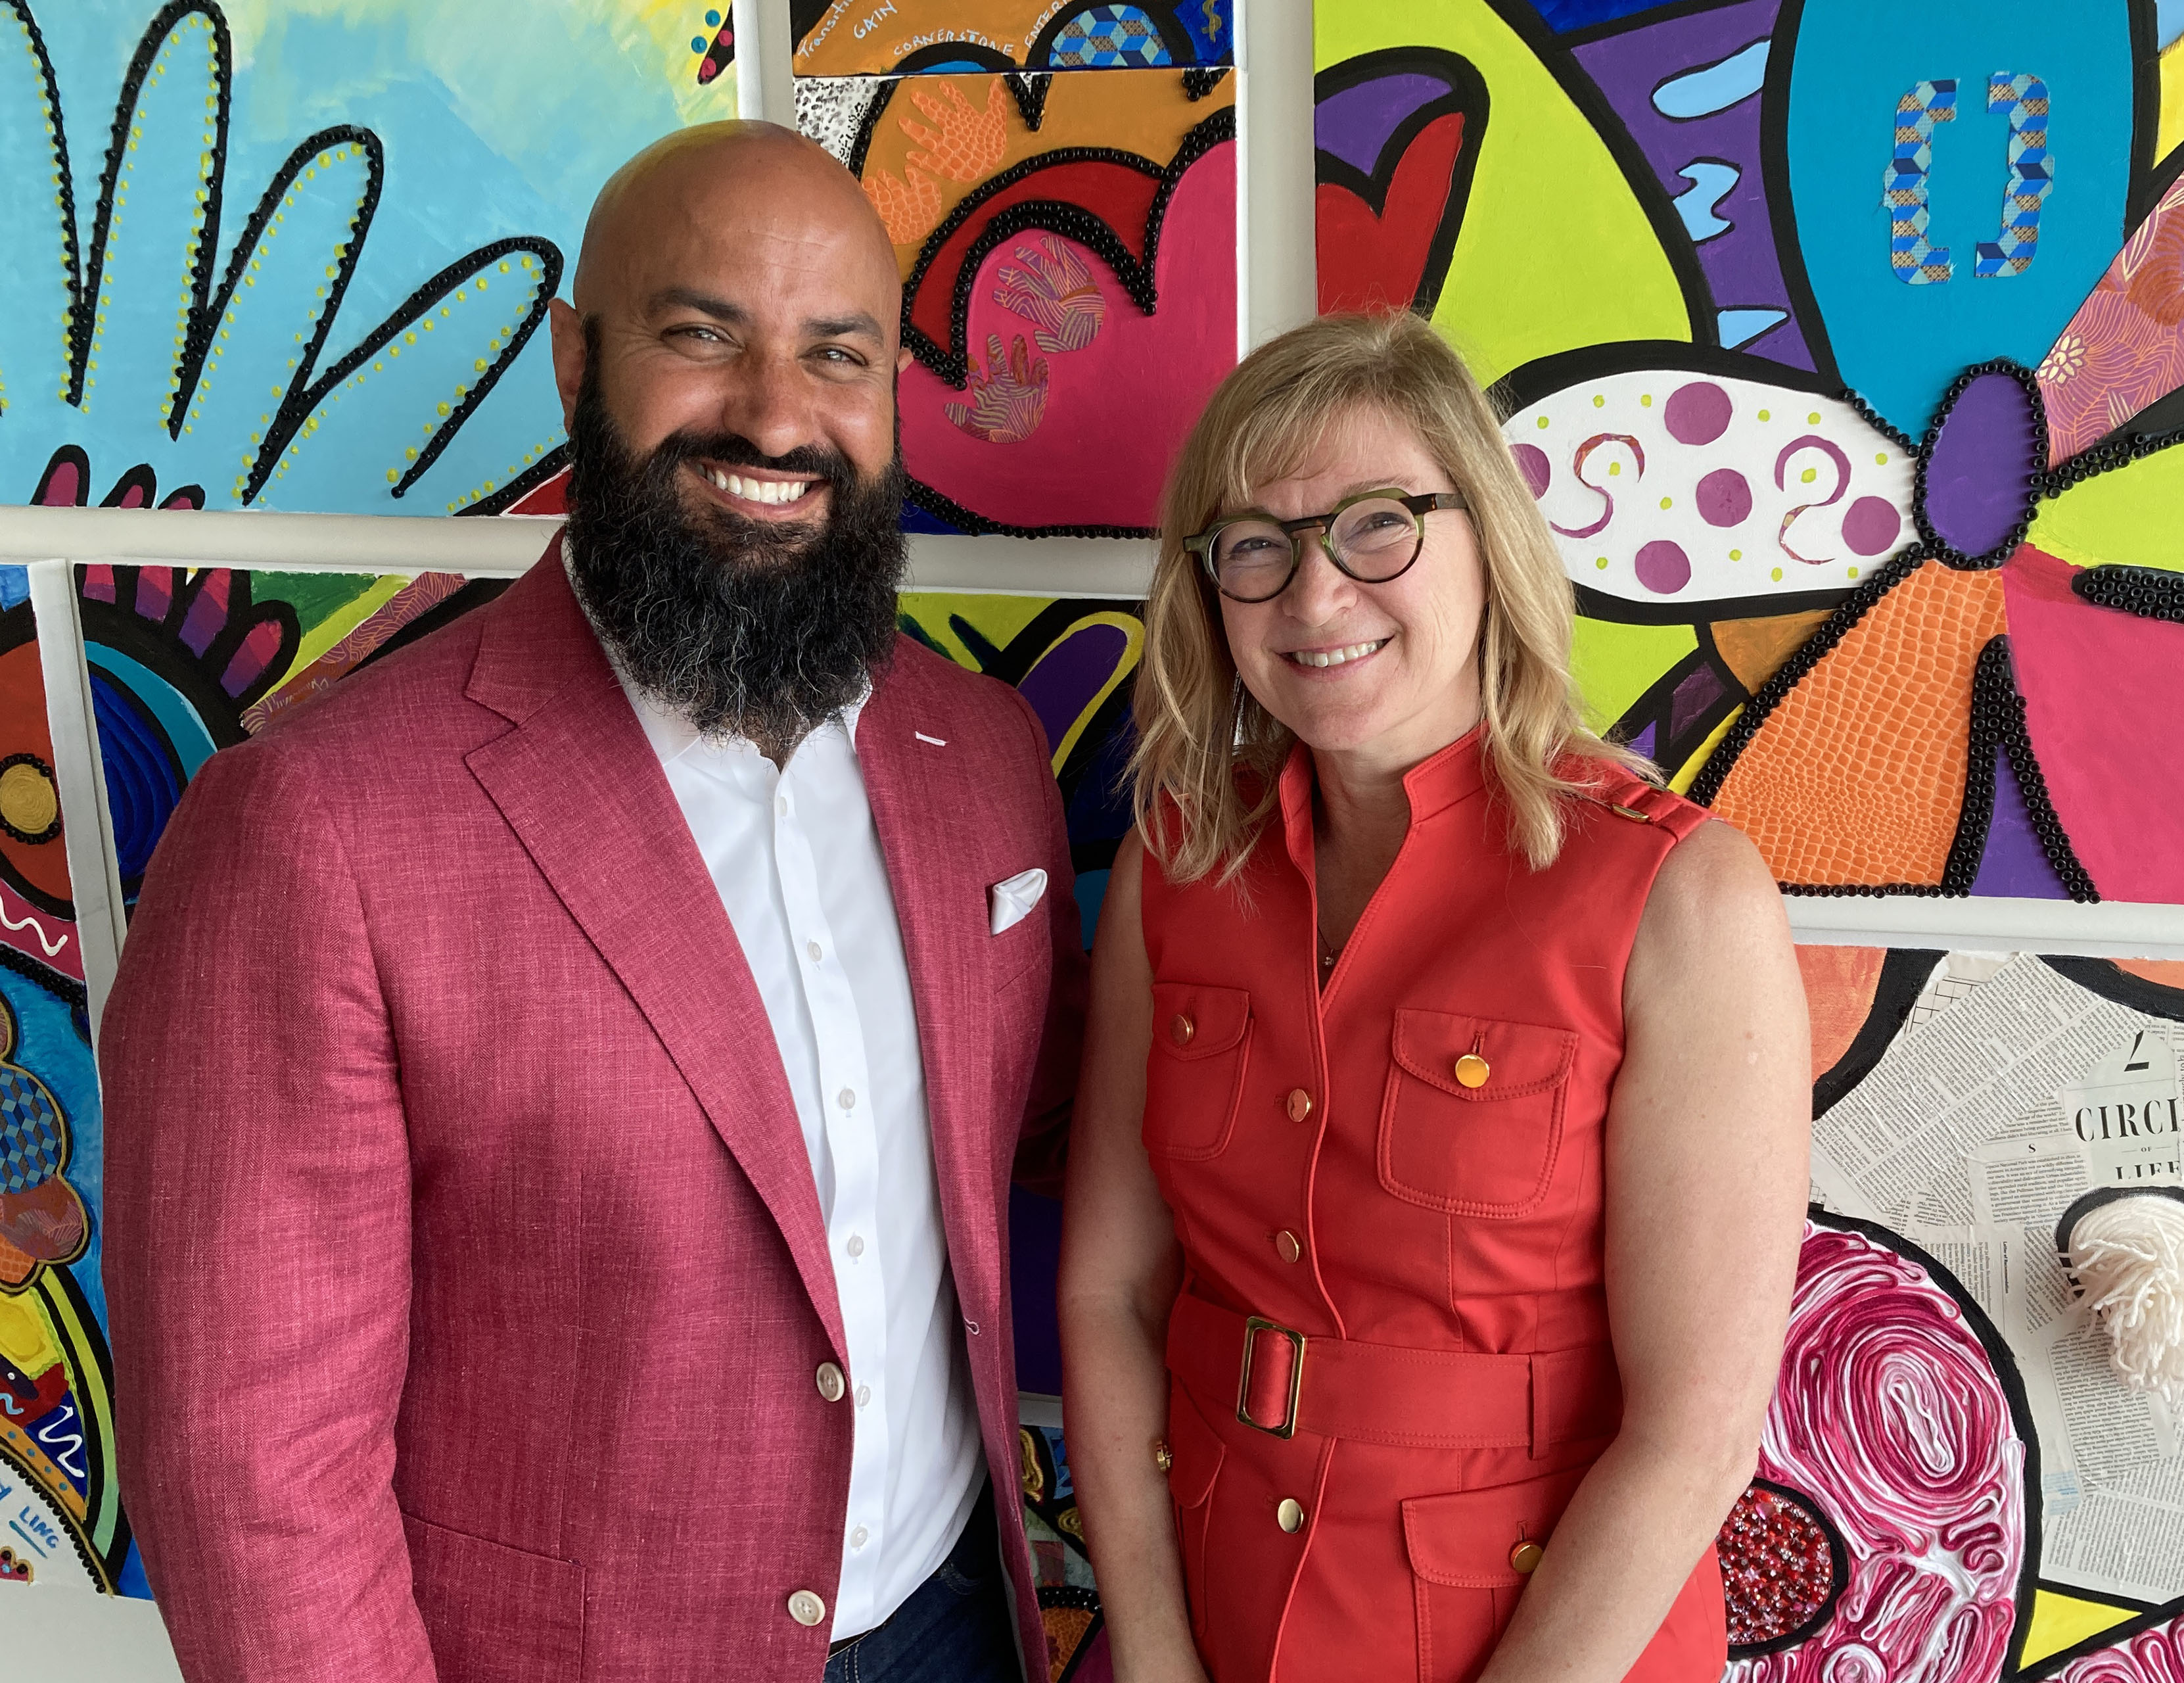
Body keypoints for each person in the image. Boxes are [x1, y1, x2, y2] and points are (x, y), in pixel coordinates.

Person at [101, 121, 1084, 1683]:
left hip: (959, 1620)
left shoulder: (982, 755)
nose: (779, 413)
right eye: (705, 336)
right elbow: (254, 1475)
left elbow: (1062, 1132)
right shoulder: (311, 827)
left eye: (839, 355)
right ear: (577, 362)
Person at [1057, 312, 1811, 1683]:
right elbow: (1110, 1289)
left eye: (1377, 526)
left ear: (1490, 541)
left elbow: (1696, 1429)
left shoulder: (1680, 895)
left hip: (1541, 1637)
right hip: (1218, 1600)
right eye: (1255, 545)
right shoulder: (1175, 863)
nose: (1315, 595)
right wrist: (1154, 1653)